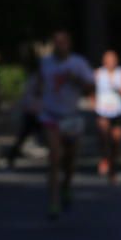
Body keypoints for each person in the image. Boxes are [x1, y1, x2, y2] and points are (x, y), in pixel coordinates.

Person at [35, 30, 94, 220]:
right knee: (54, 158)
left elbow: (91, 87)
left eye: (63, 42)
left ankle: (66, 186)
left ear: (69, 44)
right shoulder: (46, 63)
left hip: (71, 116)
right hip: (51, 115)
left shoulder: (78, 63)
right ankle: (53, 202)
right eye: (56, 42)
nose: (60, 46)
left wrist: (75, 79)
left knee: (69, 158)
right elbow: (38, 85)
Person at [93, 50, 121, 184]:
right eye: (107, 60)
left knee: (116, 140)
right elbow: (91, 90)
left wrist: (119, 89)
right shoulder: (98, 74)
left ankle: (113, 167)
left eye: (112, 60)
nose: (110, 62)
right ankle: (105, 157)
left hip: (118, 111)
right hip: (102, 110)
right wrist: (93, 104)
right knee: (104, 135)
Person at [5, 55, 43, 170]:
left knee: (46, 137)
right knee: (24, 136)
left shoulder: (36, 78)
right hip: (34, 111)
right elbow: (32, 95)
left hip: (38, 111)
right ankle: (11, 157)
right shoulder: (36, 79)